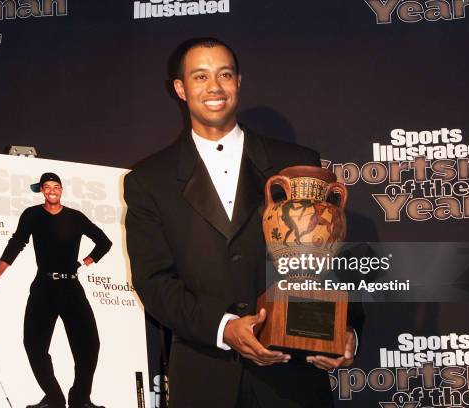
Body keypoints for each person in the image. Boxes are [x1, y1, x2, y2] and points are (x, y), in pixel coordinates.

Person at [124, 38, 364, 408]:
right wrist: (224, 329)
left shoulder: (297, 163)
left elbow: (335, 264)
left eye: (224, 75)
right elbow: (153, 282)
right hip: (205, 380)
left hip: (293, 378)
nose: (214, 87)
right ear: (180, 88)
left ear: (238, 82)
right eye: (200, 76)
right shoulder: (148, 181)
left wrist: (346, 331)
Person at [0, 172, 111, 408]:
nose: (52, 190)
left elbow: (104, 242)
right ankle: (54, 399)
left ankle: (80, 399)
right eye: (47, 186)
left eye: (56, 186)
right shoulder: (32, 215)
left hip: (71, 287)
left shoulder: (75, 217)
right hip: (44, 288)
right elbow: (16, 243)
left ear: (61, 190)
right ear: (41, 190)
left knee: (90, 345)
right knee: (34, 345)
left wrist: (88, 260)